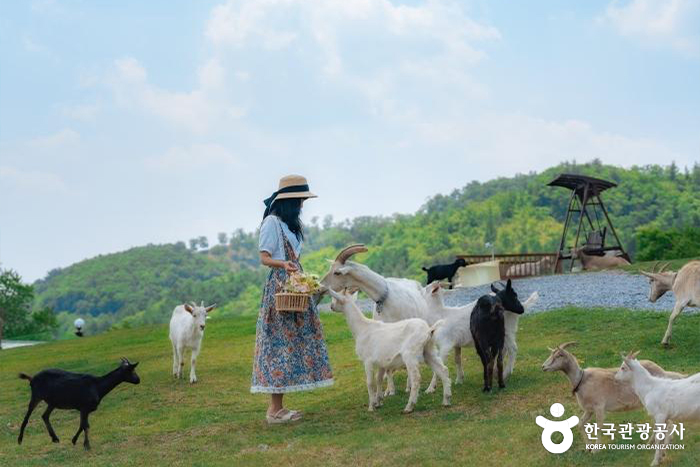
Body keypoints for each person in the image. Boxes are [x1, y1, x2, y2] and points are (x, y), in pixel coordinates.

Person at [250, 174, 334, 424]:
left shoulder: (289, 224)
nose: (302, 204)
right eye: (300, 199)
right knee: (279, 347)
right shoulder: (272, 223)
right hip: (281, 288)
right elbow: (264, 258)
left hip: (294, 285)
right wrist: (284, 264)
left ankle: (279, 408)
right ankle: (274, 410)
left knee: (291, 347)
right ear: (290, 201)